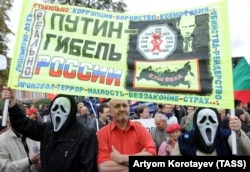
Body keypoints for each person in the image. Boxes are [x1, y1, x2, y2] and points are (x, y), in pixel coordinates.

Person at [1, 86, 98, 172]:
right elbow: (24, 125)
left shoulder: (85, 135)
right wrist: (12, 104)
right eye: (55, 108)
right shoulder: (47, 128)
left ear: (71, 112)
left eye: (63, 109)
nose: (58, 112)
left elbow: (88, 167)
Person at [96, 99, 156, 172]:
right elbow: (104, 167)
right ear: (110, 112)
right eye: (117, 106)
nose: (122, 109)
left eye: (125, 106)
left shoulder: (141, 130)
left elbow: (151, 154)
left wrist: (122, 158)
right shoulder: (102, 134)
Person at [172, 107, 250, 156]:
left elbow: (246, 152)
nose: (208, 123)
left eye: (212, 120)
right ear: (196, 123)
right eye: (202, 120)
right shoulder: (184, 140)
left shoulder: (227, 136)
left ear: (218, 122)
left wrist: (238, 133)